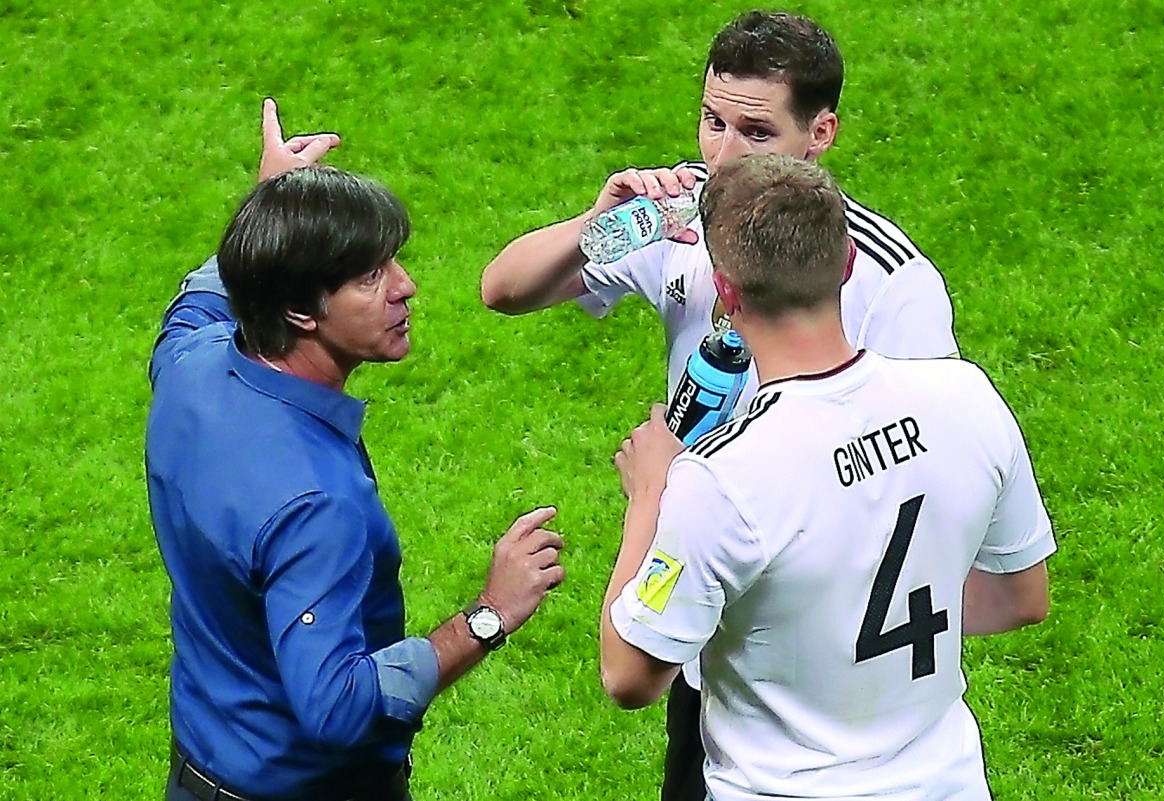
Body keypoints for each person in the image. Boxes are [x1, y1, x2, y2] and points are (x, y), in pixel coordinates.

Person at [480, 11, 959, 799]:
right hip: (704, 579)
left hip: (819, 617)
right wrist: (595, 224)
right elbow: (505, 290)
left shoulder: (890, 279)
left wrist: (662, 488)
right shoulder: (675, 219)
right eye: (713, 121)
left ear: (821, 132)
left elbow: (918, 462)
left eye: (757, 132)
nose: (724, 154)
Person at [599, 153, 1054, 801]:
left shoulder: (723, 478)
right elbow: (1020, 597)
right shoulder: (967, 398)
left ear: (725, 292)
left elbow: (629, 674)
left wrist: (650, 495)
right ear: (846, 265)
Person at [146, 99, 565, 801]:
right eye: (369, 276)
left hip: (198, 775)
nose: (405, 286)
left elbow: (206, 291)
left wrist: (273, 199)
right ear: (302, 311)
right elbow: (337, 706)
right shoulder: (315, 503)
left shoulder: (187, 361)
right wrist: (488, 614)